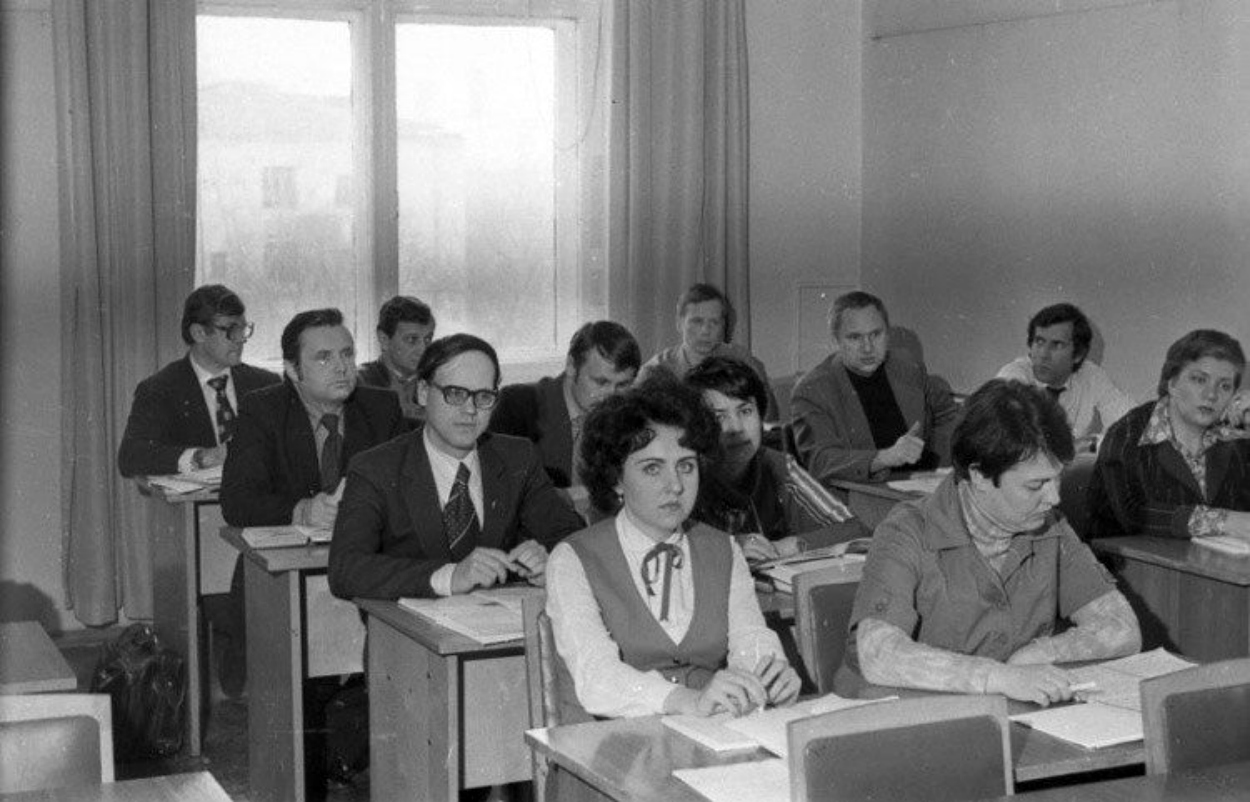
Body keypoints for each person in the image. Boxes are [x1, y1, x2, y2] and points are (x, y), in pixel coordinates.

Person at [836, 379, 1141, 705]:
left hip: (1005, 712)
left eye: (1056, 479)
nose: (1054, 498)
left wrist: (1037, 655)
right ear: (979, 475)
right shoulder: (906, 530)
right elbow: (878, 651)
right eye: (1035, 485)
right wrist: (996, 677)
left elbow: (1122, 627)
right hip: (907, 714)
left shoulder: (1049, 526)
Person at [545, 376, 802, 720]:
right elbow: (597, 679)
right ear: (616, 479)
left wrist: (769, 676)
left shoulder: (724, 549)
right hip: (609, 739)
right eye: (652, 468)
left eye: (686, 466)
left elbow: (751, 637)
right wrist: (687, 701)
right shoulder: (573, 558)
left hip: (708, 733)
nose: (676, 485)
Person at [329, 334, 584, 600]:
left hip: (497, 621)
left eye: (483, 397)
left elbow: (573, 539)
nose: (470, 410)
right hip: (406, 625)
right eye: (455, 394)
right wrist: (451, 576)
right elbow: (346, 569)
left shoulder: (517, 458)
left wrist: (550, 562)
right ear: (423, 392)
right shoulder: (375, 468)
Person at [221, 308, 406, 529]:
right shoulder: (263, 410)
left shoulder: (382, 408)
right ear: (293, 369)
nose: (342, 368)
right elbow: (238, 502)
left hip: (365, 544)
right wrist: (303, 511)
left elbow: (407, 491)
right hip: (292, 549)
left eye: (347, 354)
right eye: (324, 358)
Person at [685, 356, 868, 562]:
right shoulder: (683, 473)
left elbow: (855, 530)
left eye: (745, 411)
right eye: (719, 417)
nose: (736, 428)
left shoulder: (777, 465)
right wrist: (730, 547)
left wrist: (786, 546)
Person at [1087, 329, 1250, 541]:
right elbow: (1132, 514)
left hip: (1208, 559)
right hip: (1125, 558)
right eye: (1199, 380)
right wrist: (1222, 521)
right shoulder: (1128, 433)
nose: (1211, 395)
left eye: (1225, 386)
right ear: (1172, 383)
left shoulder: (1234, 440)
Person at [791, 291, 960, 485]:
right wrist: (884, 458)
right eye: (855, 337)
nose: (868, 348)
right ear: (835, 341)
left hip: (924, 483)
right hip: (865, 491)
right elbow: (821, 461)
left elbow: (947, 415)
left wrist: (942, 464)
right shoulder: (812, 390)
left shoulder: (906, 366)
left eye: (876, 334)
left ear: (887, 334)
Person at [118, 284, 280, 477]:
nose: (241, 339)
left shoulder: (267, 383)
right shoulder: (159, 389)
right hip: (201, 496)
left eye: (243, 329)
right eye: (231, 330)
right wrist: (201, 458)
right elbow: (131, 457)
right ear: (198, 333)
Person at [489, 321, 640, 489]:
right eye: (600, 382)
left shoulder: (630, 418)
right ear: (571, 366)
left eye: (623, 385)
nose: (610, 396)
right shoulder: (516, 406)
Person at [996, 303, 1134, 450]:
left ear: (1078, 355)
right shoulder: (1013, 377)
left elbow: (1132, 423)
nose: (1043, 354)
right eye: (1039, 342)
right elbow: (1012, 444)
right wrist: (1081, 447)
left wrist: (1094, 444)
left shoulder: (1091, 375)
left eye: (1057, 345)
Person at [638, 283, 779, 422]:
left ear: (724, 326)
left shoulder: (741, 361)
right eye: (697, 321)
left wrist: (760, 381)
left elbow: (769, 419)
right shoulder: (656, 371)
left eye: (714, 322)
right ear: (679, 323)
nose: (706, 330)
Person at [356, 295, 435, 423]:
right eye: (412, 340)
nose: (423, 349)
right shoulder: (359, 384)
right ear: (384, 339)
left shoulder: (437, 384)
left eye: (428, 339)